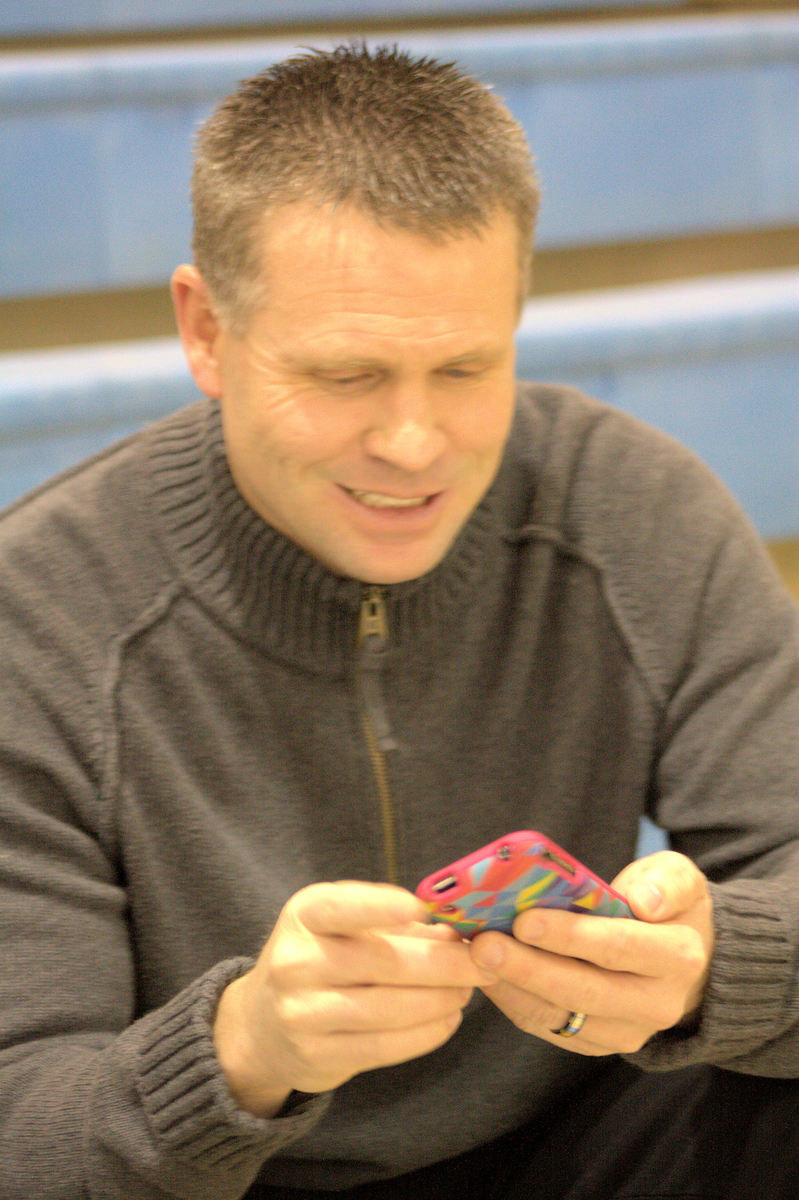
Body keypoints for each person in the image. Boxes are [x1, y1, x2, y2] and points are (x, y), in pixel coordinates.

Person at [1, 43, 798, 1200]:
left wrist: (715, 969)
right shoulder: (39, 612)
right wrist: (242, 1053)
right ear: (207, 332)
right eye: (344, 376)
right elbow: (21, 1126)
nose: (415, 444)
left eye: (467, 369)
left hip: (586, 1137)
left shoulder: (631, 507)